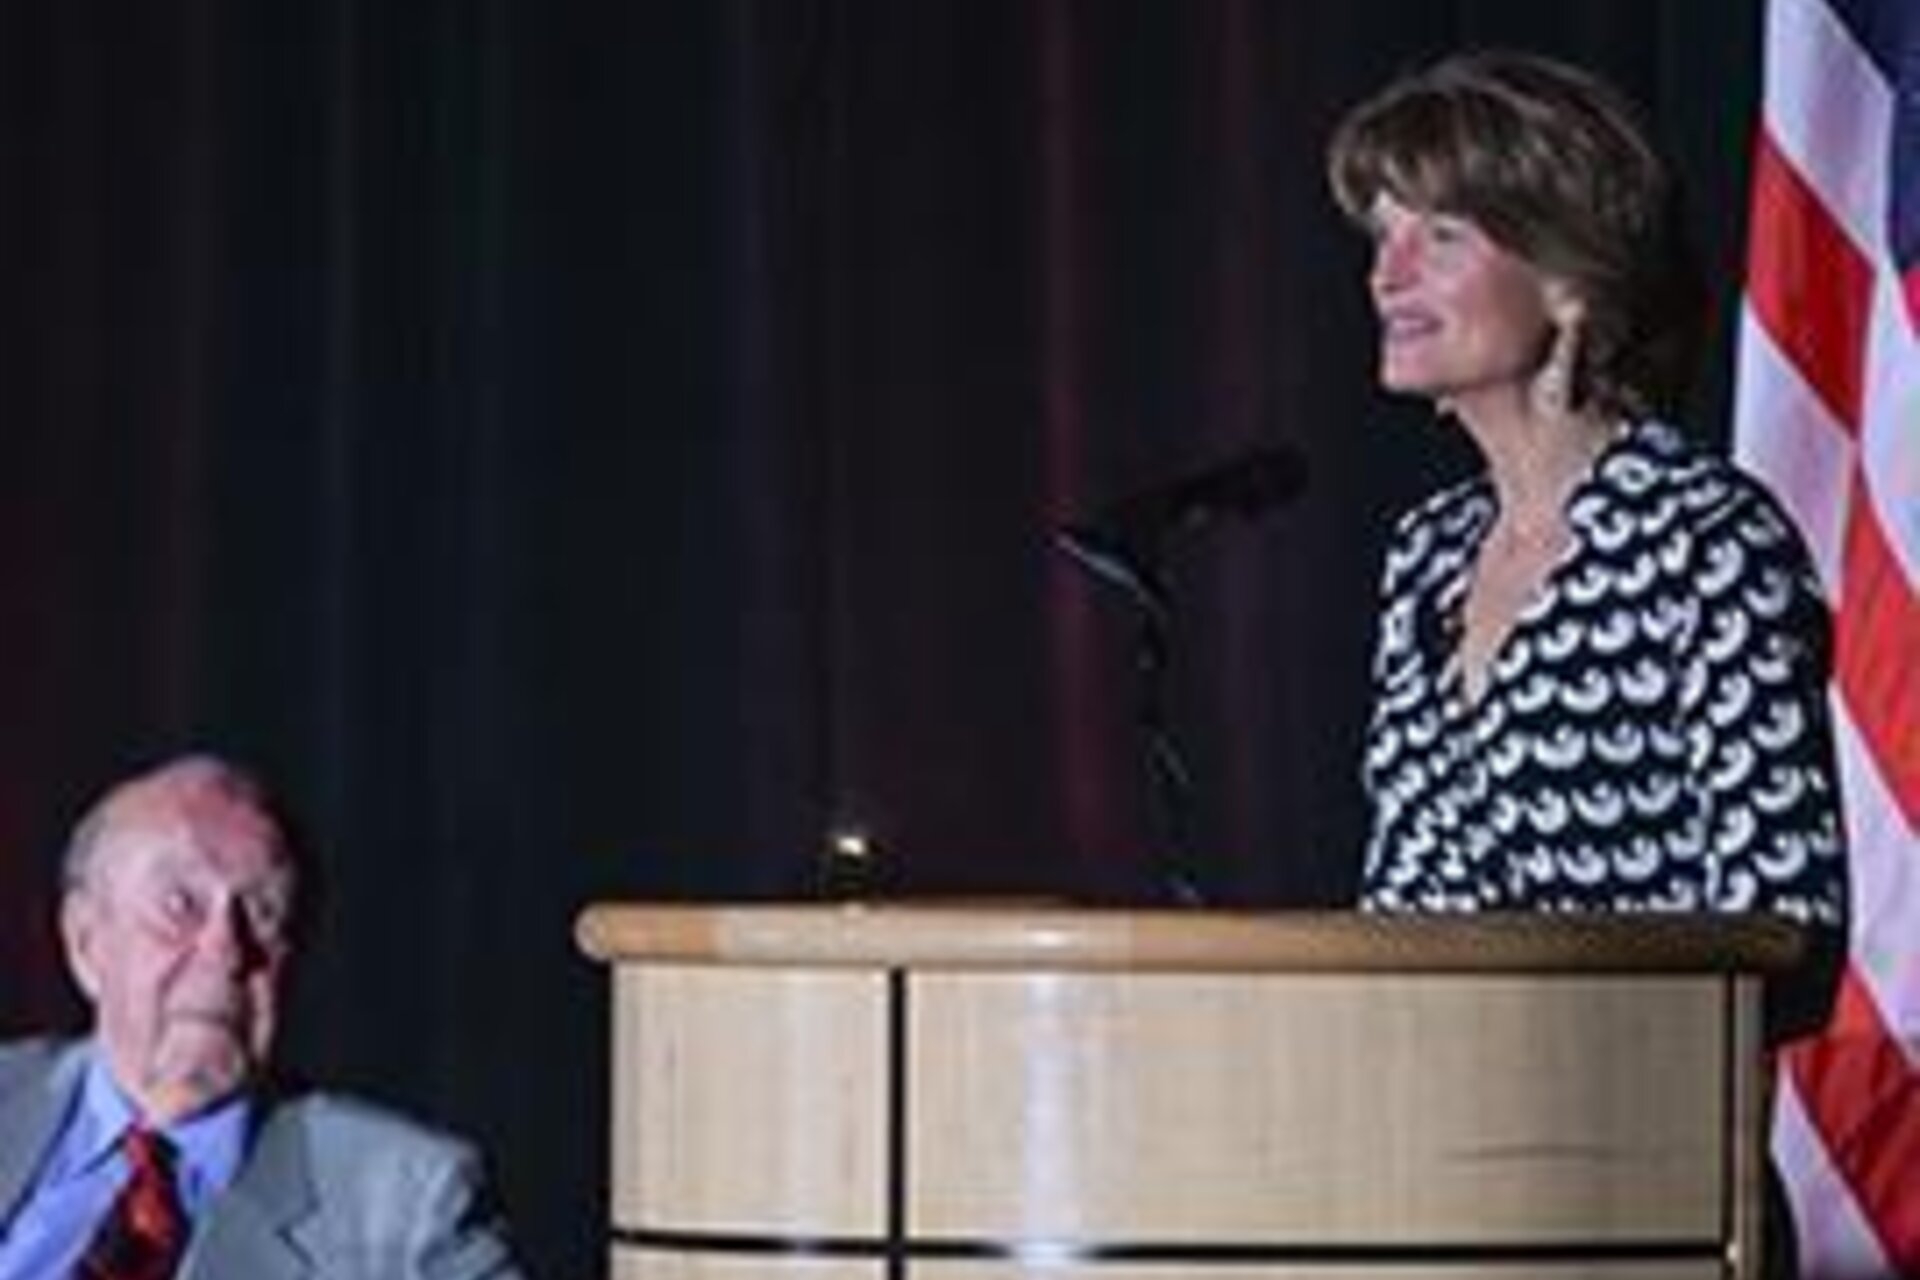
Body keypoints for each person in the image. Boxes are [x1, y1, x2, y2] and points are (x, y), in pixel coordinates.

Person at [1327, 51, 1848, 1027]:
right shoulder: (1429, 553)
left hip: (1640, 1141)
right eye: (1382, 234)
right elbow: (1399, 908)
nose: (1385, 273)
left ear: (1569, 279)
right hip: (1426, 1133)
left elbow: (1786, 931)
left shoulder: (1705, 539)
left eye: (1439, 235)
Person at [0, 754, 528, 1279]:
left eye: (262, 912)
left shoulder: (410, 1204)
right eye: (181, 904)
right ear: (85, 941)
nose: (227, 952)